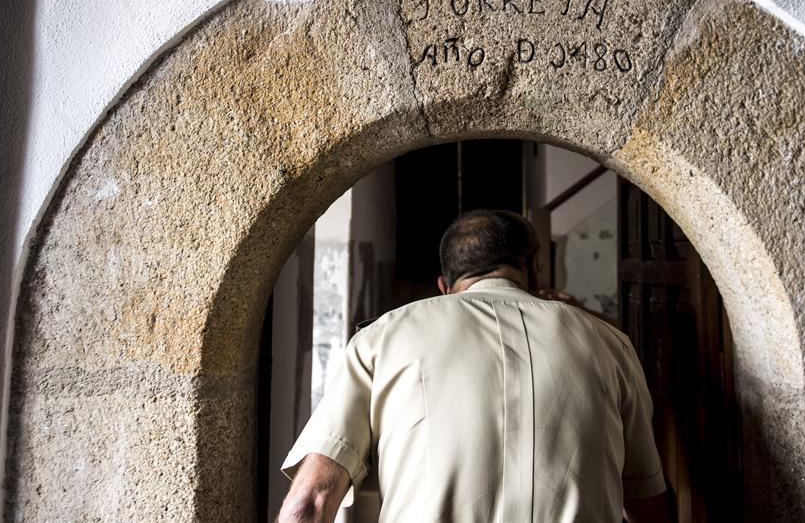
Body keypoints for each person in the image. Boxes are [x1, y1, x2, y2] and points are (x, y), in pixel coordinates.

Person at [278, 209, 675, 523]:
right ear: (534, 269)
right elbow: (645, 498)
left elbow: (308, 504)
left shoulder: (380, 339)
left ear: (444, 286)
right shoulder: (609, 343)